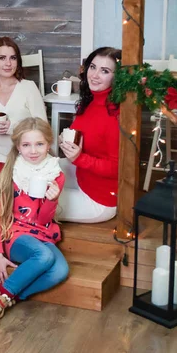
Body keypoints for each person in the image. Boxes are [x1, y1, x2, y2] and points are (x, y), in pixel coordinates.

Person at [0, 118, 67, 327]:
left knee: (60, 271)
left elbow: (43, 220)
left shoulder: (55, 174)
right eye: (26, 145)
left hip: (43, 232)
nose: (33, 151)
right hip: (15, 233)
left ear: (48, 144)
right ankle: (3, 296)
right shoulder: (11, 171)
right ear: (18, 146)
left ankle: (2, 297)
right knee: (43, 256)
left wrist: (51, 200)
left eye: (39, 144)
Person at [0, 37, 48, 202]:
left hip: (26, 155)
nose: (8, 63)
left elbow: (43, 128)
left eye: (13, 58)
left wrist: (11, 128)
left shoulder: (28, 87)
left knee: (24, 203)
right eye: (2, 58)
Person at [58, 47, 121, 223]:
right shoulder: (90, 101)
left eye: (105, 71)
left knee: (34, 204)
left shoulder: (116, 115)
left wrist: (79, 158)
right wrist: (64, 140)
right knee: (34, 169)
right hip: (82, 175)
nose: (94, 75)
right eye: (93, 67)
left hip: (99, 199)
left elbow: (117, 168)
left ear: (117, 77)